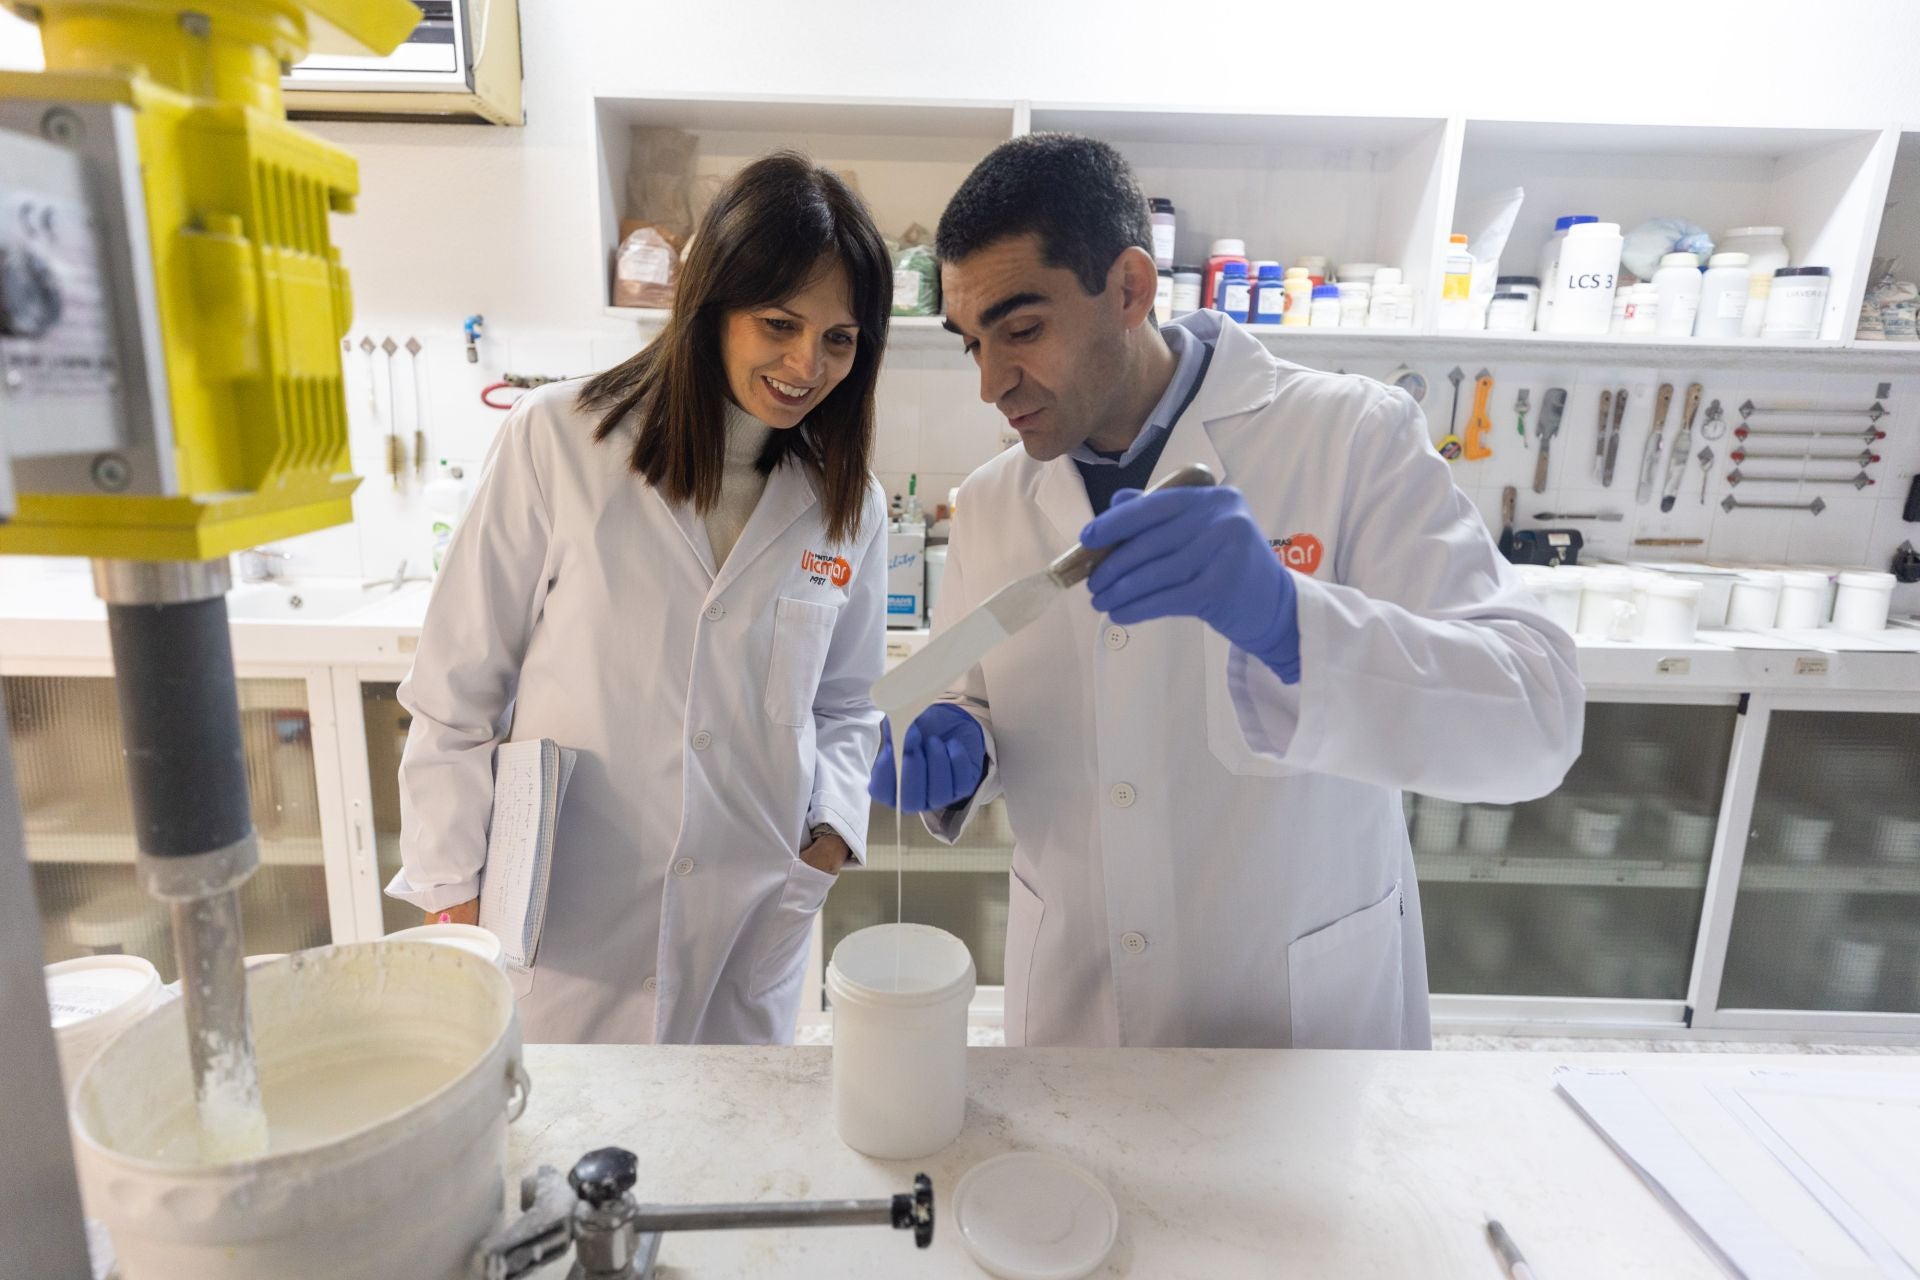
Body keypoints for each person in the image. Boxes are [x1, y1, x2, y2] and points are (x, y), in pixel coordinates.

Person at [871, 134, 1585, 1050]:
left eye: (1021, 330)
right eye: (973, 343)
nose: (990, 382)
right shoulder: (991, 503)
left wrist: (1291, 624)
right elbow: (977, 689)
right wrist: (961, 733)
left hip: (1297, 1022)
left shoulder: (1350, 438)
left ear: (1130, 289)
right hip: (1079, 1015)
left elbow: (1537, 721)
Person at [390, 152, 893, 1045]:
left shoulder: (848, 504)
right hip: (567, 921)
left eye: (839, 339)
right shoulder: (560, 440)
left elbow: (847, 705)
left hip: (748, 922)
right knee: (558, 1163)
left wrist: (828, 839)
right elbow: (457, 688)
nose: (805, 363)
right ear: (713, 307)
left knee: (721, 1163)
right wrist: (455, 894)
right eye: (779, 322)